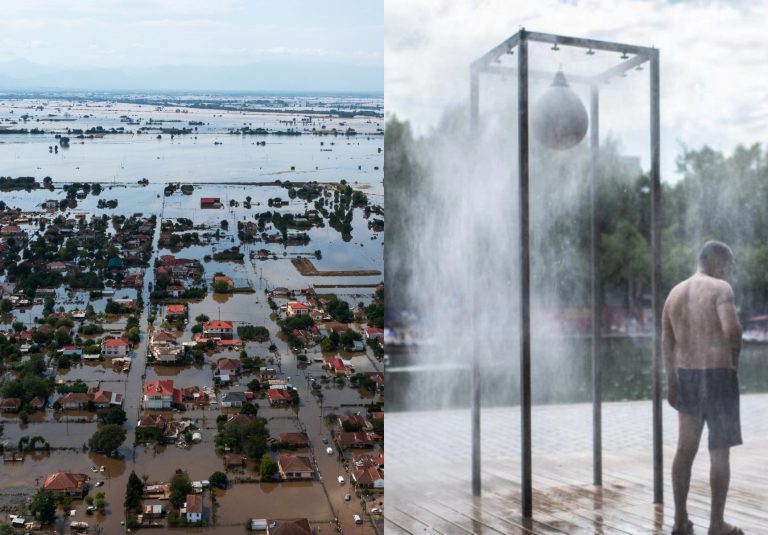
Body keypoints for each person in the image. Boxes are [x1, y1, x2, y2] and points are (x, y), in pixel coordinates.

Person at [662, 241, 743, 535]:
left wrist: (672, 382)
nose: (730, 273)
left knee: (685, 450)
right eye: (729, 266)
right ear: (718, 261)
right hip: (719, 376)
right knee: (719, 452)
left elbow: (667, 344)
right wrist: (734, 360)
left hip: (688, 378)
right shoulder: (720, 289)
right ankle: (716, 524)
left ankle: (680, 521)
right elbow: (731, 330)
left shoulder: (674, 294)